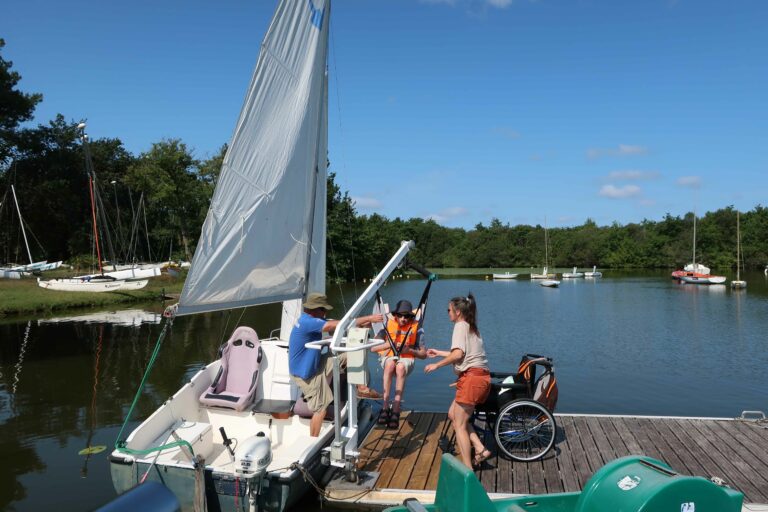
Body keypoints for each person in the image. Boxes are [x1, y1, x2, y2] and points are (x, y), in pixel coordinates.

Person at [289, 292, 382, 437]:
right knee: (321, 410)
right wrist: (369, 318)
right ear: (316, 309)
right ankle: (313, 443)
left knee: (351, 353)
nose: (326, 313)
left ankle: (361, 388)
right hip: (306, 374)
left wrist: (363, 323)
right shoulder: (309, 322)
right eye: (324, 310)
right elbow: (336, 324)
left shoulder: (308, 319)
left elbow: (337, 324)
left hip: (314, 364)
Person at [424, 293, 491, 468]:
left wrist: (436, 365)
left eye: (449, 310)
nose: (447, 313)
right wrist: (439, 352)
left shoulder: (460, 326)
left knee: (460, 425)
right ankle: (480, 448)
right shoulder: (470, 327)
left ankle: (468, 470)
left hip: (472, 379)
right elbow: (463, 354)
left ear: (458, 312)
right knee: (453, 414)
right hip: (477, 378)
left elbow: (458, 354)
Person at [372, 299, 427, 428]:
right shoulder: (386, 326)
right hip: (388, 356)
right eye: (400, 315)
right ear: (395, 315)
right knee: (391, 364)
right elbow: (372, 348)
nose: (403, 318)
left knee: (400, 367)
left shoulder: (417, 328)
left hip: (407, 358)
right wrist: (388, 344)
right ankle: (385, 407)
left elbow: (424, 355)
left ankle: (396, 408)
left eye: (407, 316)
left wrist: (410, 350)